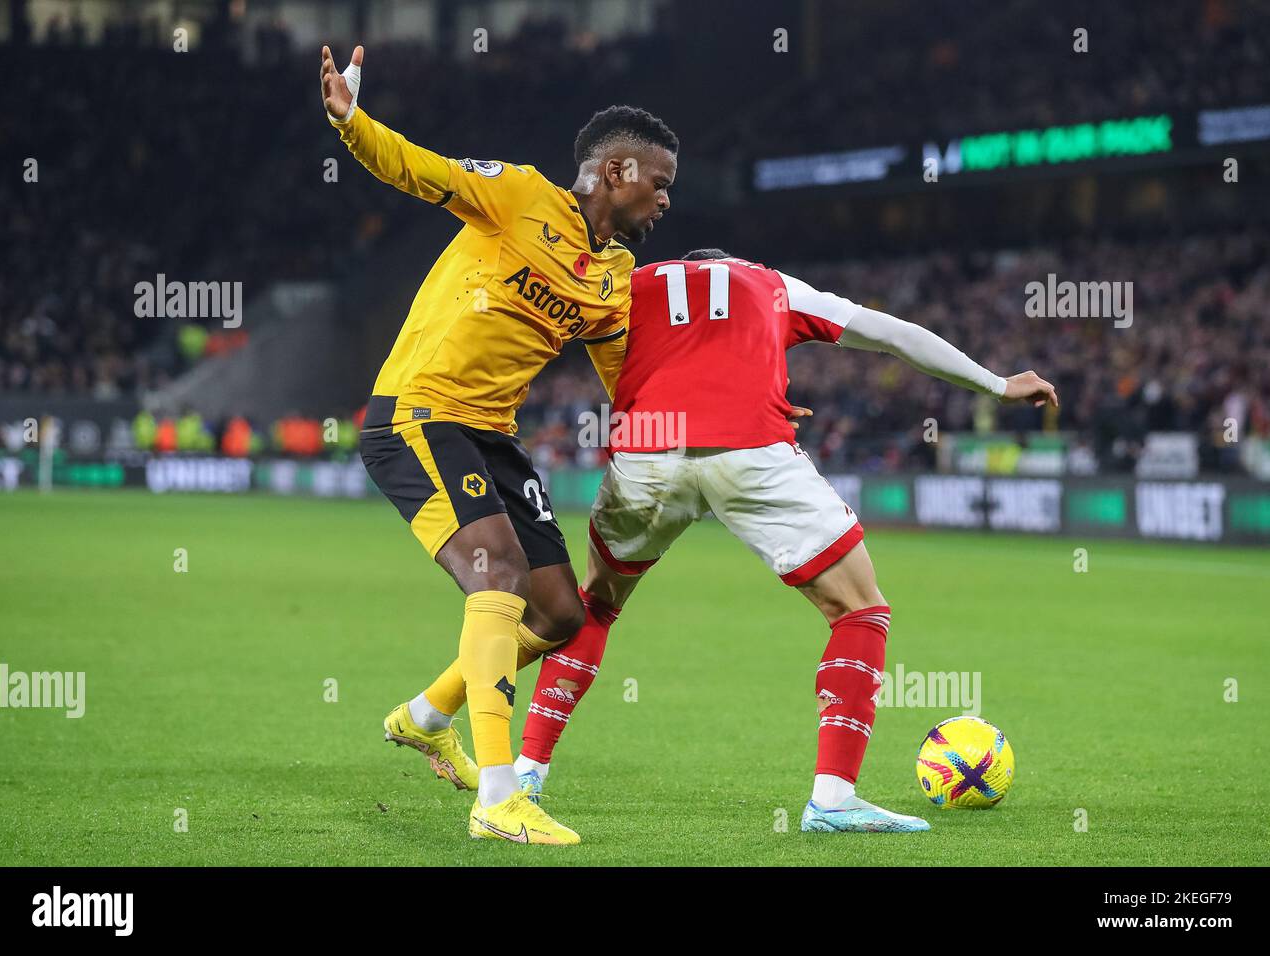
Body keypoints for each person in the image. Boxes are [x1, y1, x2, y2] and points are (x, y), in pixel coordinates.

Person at [515, 249, 1058, 832]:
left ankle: (525, 773)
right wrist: (999, 384)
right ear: (731, 263)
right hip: (749, 451)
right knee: (860, 610)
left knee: (593, 606)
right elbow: (894, 335)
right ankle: (832, 799)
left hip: (648, 453)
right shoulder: (768, 282)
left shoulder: (631, 284)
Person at [321, 44, 677, 844]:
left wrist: (723, 415)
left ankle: (423, 716)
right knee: (498, 572)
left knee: (558, 615)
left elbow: (627, 385)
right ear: (615, 171)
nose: (664, 203)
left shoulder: (612, 276)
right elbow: (422, 170)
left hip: (491, 437)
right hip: (418, 416)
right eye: (660, 185)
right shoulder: (518, 194)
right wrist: (351, 122)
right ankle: (498, 795)